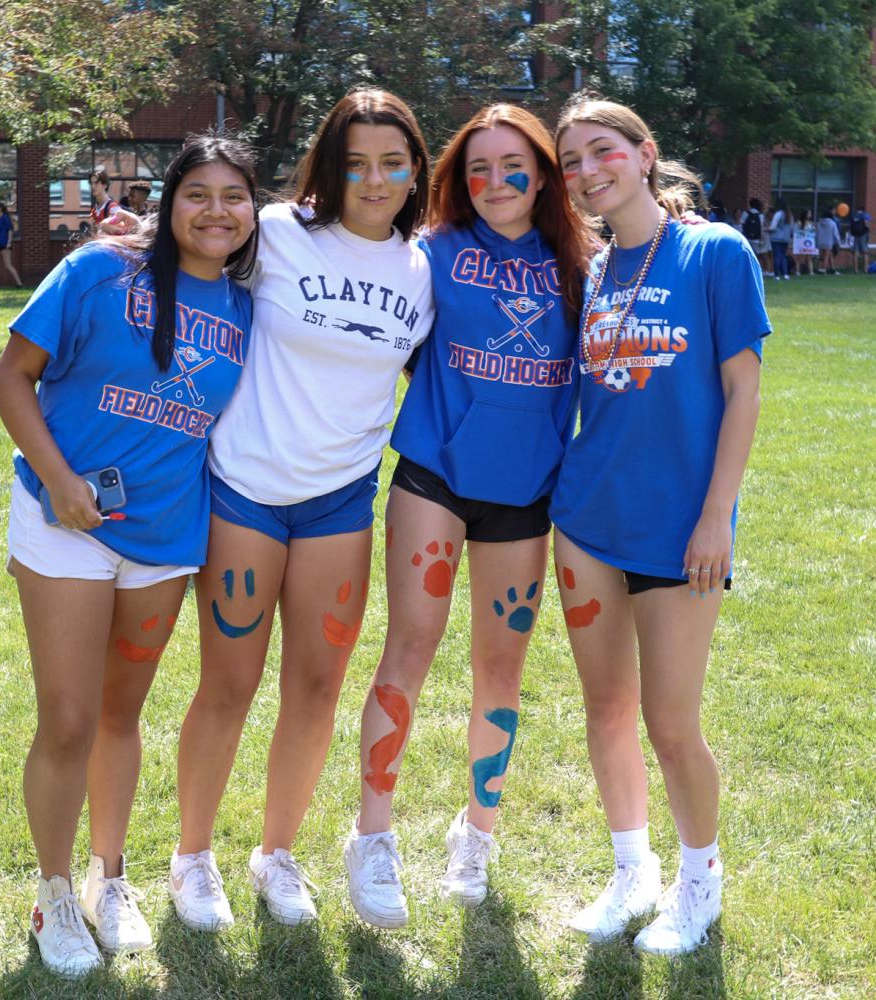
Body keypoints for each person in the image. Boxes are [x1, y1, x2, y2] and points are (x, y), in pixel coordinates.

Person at [0, 135, 259, 979]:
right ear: (170, 200)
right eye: (198, 194)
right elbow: (11, 377)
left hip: (167, 538)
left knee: (118, 714)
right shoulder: (98, 272)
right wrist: (58, 478)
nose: (216, 211)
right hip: (65, 522)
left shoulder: (253, 306)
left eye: (234, 197)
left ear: (254, 212)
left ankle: (111, 878)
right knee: (67, 720)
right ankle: (54, 892)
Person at [170, 89, 434, 932]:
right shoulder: (277, 232)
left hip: (339, 504)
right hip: (245, 492)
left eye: (392, 162)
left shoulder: (422, 269)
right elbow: (186, 248)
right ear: (330, 165)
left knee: (315, 688)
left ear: (415, 169)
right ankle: (193, 857)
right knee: (229, 684)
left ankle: (275, 854)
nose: (374, 178)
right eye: (355, 161)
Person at [345, 103, 596, 928]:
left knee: (501, 671)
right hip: (433, 482)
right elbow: (327, 248)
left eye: (512, 165)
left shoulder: (578, 265)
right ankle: (371, 839)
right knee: (408, 647)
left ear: (545, 174)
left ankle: (475, 834)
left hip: (524, 499)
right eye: (477, 168)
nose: (494, 182)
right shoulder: (430, 253)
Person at [554, 95, 769, 957]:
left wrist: (716, 516)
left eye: (600, 150)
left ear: (643, 154)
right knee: (605, 709)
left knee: (670, 724)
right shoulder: (592, 271)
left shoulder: (714, 251)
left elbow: (742, 391)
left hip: (680, 530)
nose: (585, 172)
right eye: (570, 162)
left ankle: (699, 880)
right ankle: (629, 870)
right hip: (584, 521)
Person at [0, 202, 22, 288]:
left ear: (0, 209)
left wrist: (9, 243)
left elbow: (10, 230)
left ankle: (19, 283)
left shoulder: (5, 218)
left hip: (5, 244)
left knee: (8, 265)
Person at [739, 198, 767, 272]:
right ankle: (754, 270)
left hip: (746, 238)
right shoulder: (761, 215)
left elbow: (741, 224)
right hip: (756, 239)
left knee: (746, 254)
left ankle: (745, 269)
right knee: (755, 255)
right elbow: (760, 227)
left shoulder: (746, 213)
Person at [766, 201, 792, 280]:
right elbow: (791, 227)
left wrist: (767, 229)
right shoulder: (789, 215)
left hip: (776, 238)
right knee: (783, 256)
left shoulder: (778, 214)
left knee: (776, 256)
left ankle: (777, 275)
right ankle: (785, 274)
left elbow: (773, 227)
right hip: (785, 238)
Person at [816, 209, 840, 274]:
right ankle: (824, 269)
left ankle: (819, 268)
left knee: (821, 256)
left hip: (820, 241)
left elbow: (816, 232)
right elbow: (835, 234)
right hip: (828, 241)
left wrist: (816, 241)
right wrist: (838, 242)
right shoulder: (832, 223)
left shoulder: (819, 222)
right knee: (826, 256)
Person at [849, 207, 873, 272]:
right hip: (863, 235)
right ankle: (865, 269)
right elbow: (867, 224)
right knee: (865, 252)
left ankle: (855, 270)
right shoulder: (865, 215)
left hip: (855, 235)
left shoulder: (854, 215)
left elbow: (850, 226)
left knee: (855, 253)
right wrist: (867, 231)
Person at [794, 209, 817, 276]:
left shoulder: (810, 222)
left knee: (809, 257)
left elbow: (812, 231)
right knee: (800, 257)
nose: (810, 215)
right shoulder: (799, 222)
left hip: (809, 242)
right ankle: (797, 271)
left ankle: (811, 272)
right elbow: (797, 231)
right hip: (801, 241)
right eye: (809, 214)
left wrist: (814, 229)